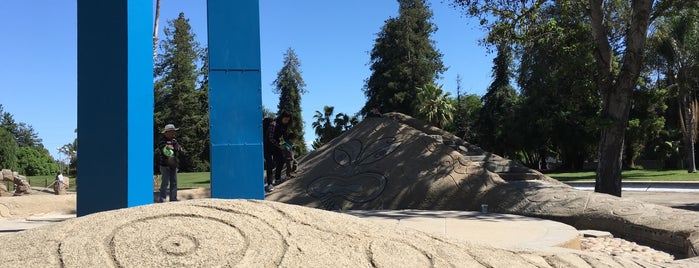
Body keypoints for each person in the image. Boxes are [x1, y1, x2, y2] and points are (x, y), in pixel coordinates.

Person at [264, 112, 291, 192]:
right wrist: (279, 145)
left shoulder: (284, 126)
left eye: (288, 120)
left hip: (275, 146)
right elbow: (270, 138)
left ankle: (278, 178)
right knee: (270, 164)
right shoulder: (273, 124)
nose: (286, 121)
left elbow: (285, 137)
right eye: (285, 119)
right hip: (267, 146)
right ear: (281, 118)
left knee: (281, 161)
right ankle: (269, 184)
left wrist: (288, 144)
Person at [156, 123, 183, 202]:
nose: (173, 133)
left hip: (173, 164)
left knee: (174, 182)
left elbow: (178, 148)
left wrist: (179, 148)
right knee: (165, 182)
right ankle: (162, 199)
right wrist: (167, 147)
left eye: (174, 131)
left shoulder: (174, 140)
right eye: (171, 131)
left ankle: (173, 198)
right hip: (164, 165)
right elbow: (162, 148)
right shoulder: (162, 140)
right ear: (166, 132)